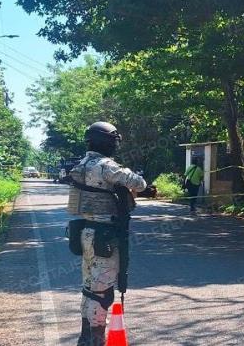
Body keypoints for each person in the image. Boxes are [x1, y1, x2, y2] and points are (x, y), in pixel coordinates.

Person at [67, 121, 147, 346]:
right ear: (107, 142)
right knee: (101, 293)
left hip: (86, 232)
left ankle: (85, 339)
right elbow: (138, 183)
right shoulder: (105, 166)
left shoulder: (81, 164)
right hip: (105, 237)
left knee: (89, 288)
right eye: (113, 142)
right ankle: (95, 341)